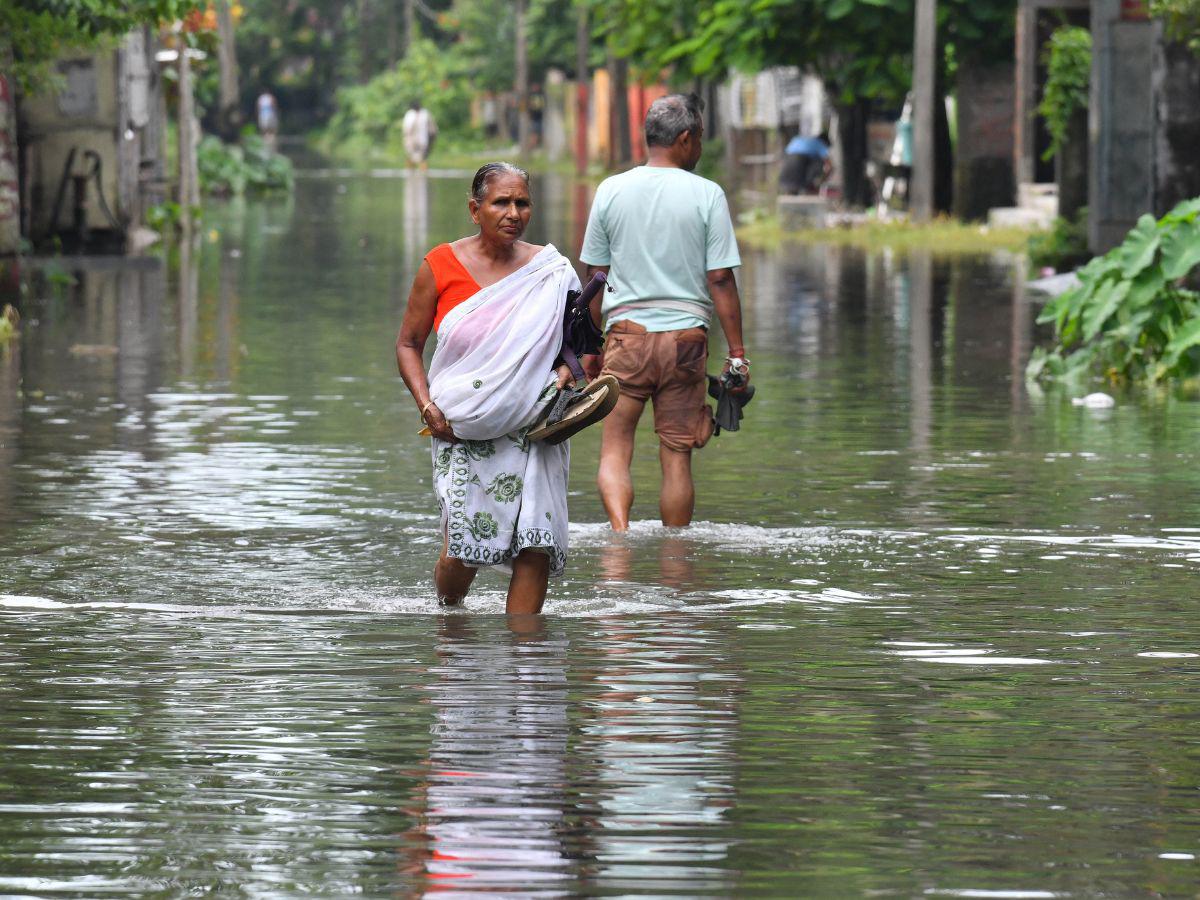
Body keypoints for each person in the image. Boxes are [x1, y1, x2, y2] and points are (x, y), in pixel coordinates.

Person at [395, 162, 581, 614]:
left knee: (535, 544)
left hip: (535, 424)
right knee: (464, 547)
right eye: (501, 202)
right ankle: (450, 623)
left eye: (522, 202)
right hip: (459, 426)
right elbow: (408, 344)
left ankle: (526, 662)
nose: (513, 212)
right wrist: (426, 406)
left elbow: (579, 347)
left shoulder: (552, 272)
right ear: (475, 209)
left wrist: (567, 373)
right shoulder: (439, 265)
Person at [579, 93, 749, 532]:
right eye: (701, 139)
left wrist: (588, 347)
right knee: (677, 458)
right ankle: (676, 561)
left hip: (626, 339)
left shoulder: (611, 190)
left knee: (615, 449)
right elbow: (721, 280)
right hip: (685, 345)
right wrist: (737, 354)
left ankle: (618, 542)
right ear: (686, 138)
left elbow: (595, 277)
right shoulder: (708, 194)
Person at [779, 131, 833, 195]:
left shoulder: (797, 139)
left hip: (786, 169)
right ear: (825, 142)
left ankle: (794, 191)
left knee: (792, 189)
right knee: (820, 162)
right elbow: (829, 165)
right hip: (800, 166)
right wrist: (823, 179)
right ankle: (810, 187)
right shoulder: (820, 143)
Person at [402, 100, 437, 168]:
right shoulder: (424, 113)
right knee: (420, 158)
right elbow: (433, 129)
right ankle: (416, 174)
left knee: (418, 158)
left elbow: (406, 130)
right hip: (418, 140)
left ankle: (414, 174)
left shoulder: (411, 114)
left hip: (418, 140)